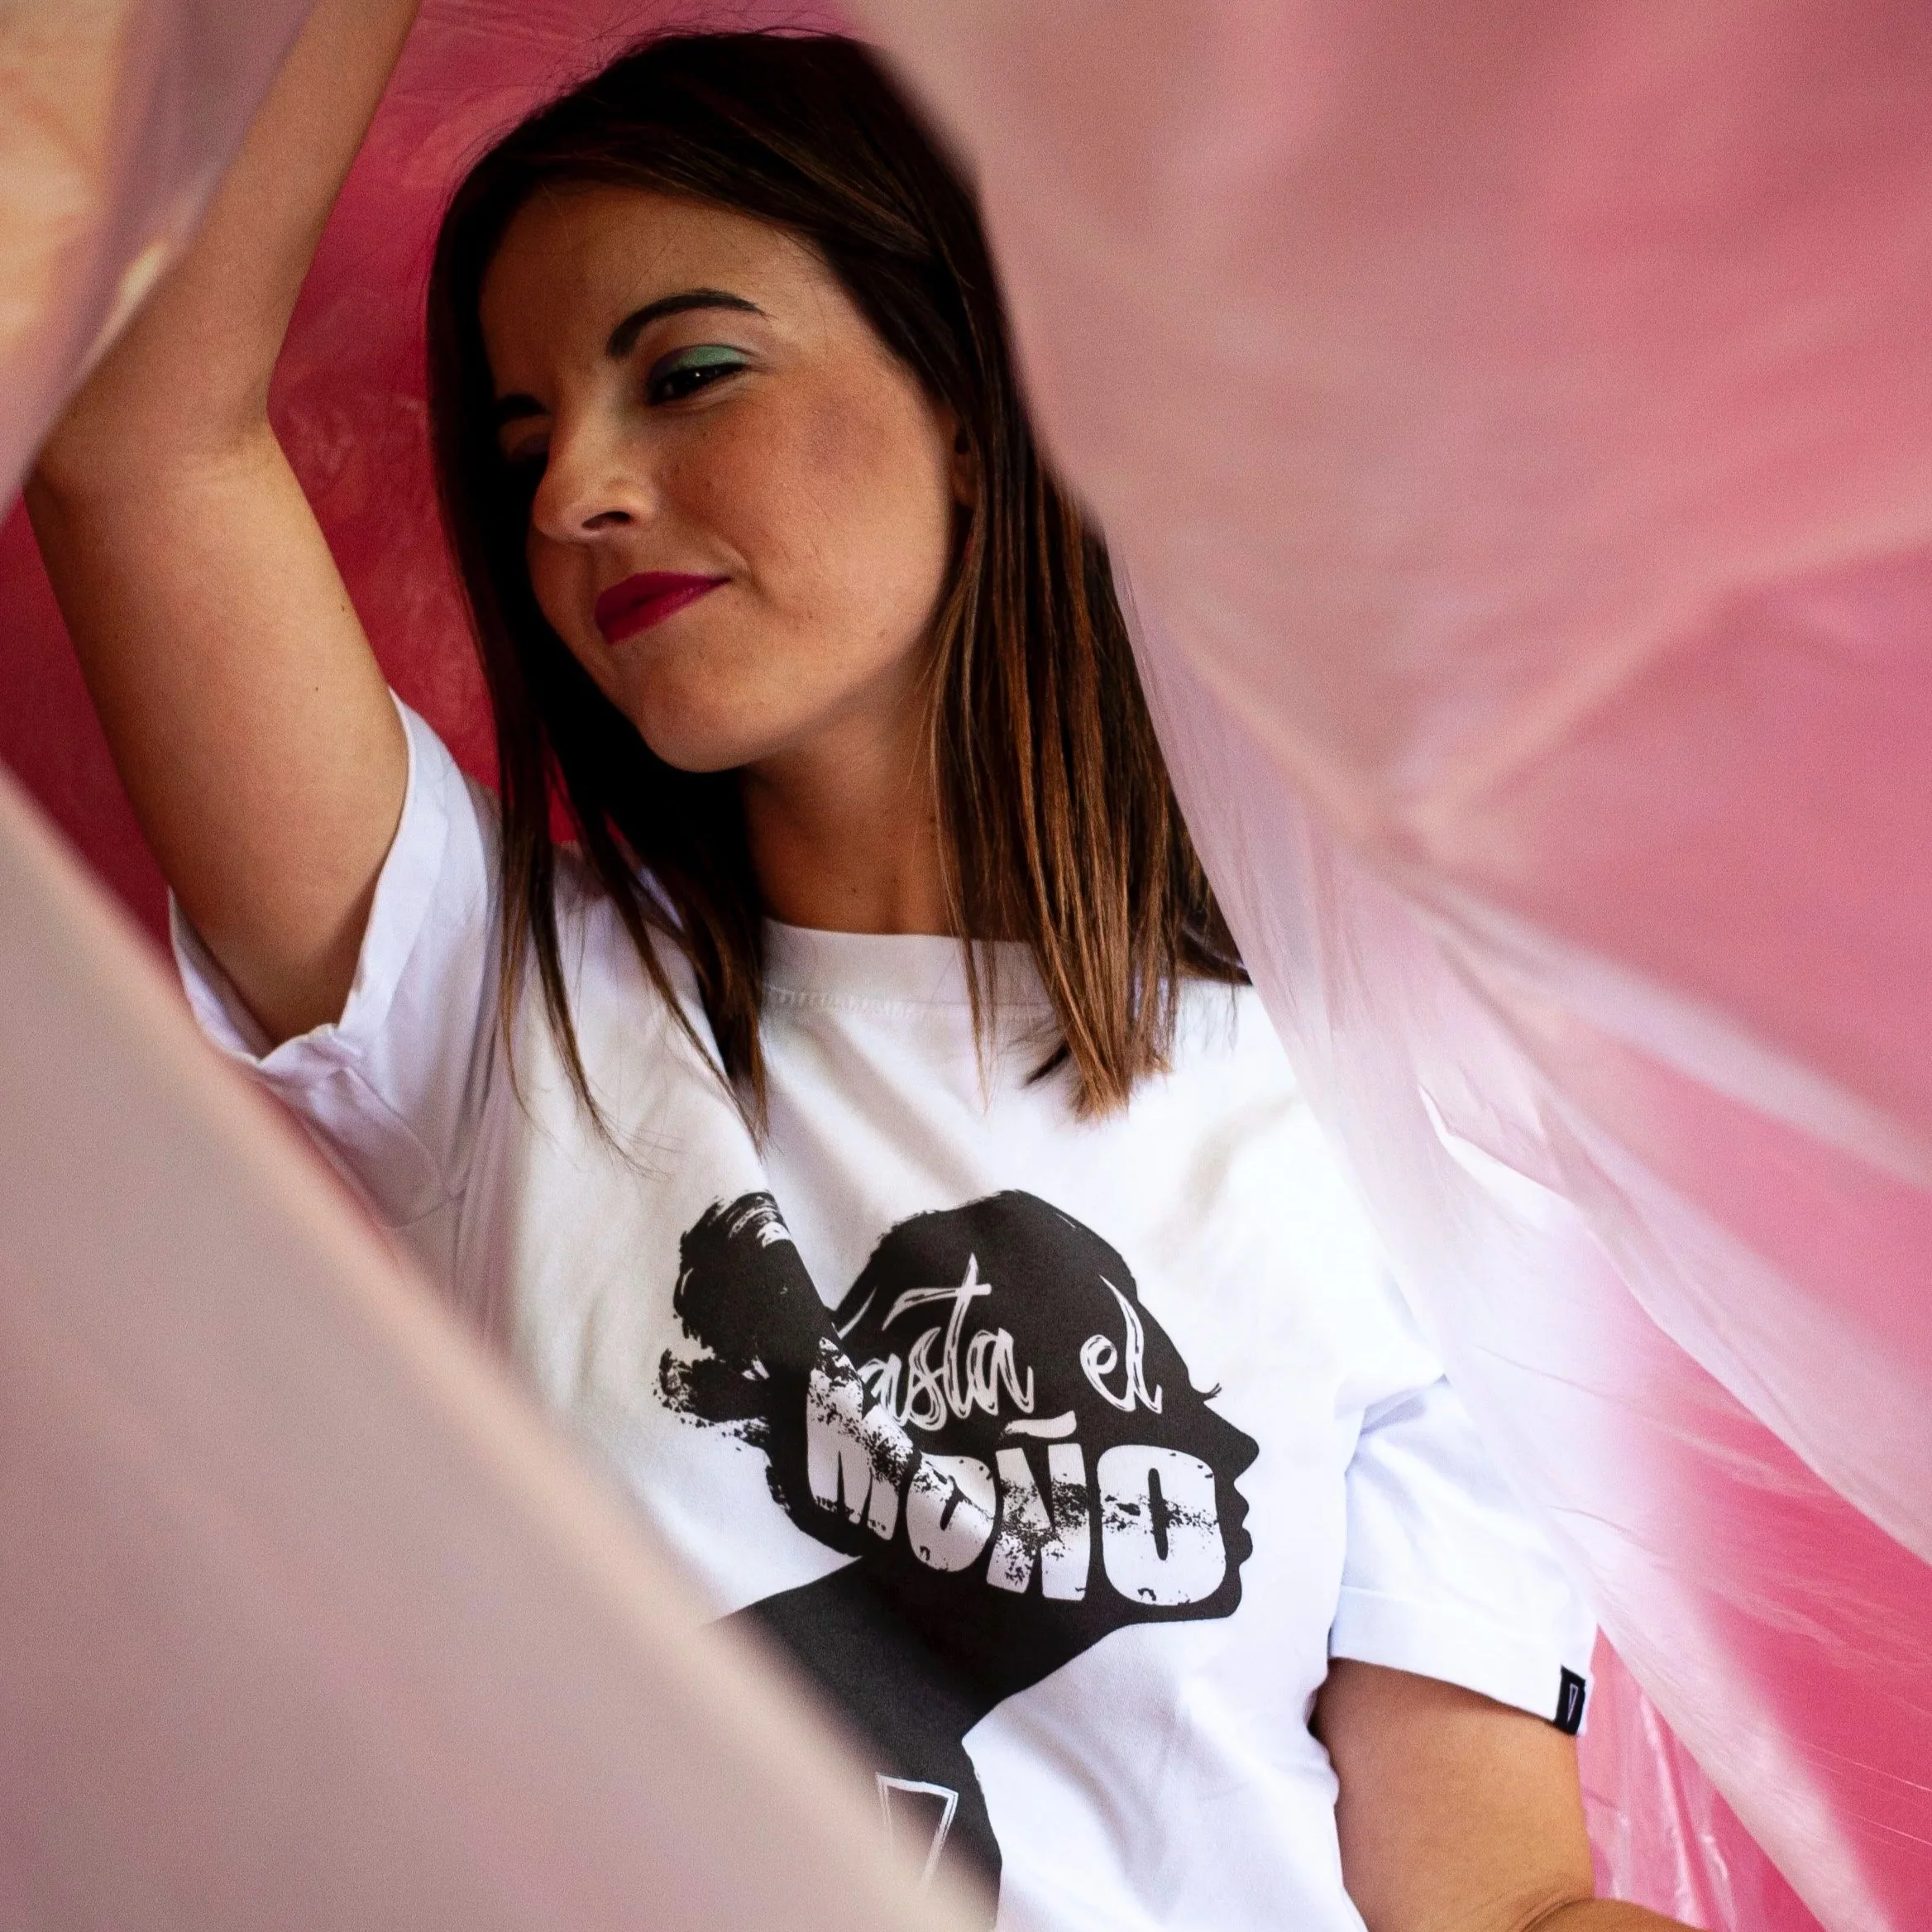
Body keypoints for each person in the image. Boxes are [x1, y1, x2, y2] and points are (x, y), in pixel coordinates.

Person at [26, 6, 1692, 1929]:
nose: (573, 490)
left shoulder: (1392, 1134)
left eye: (690, 372)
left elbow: (1484, 1899)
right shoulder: (484, 1009)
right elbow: (144, 440)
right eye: (524, 434)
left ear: (976, 409)